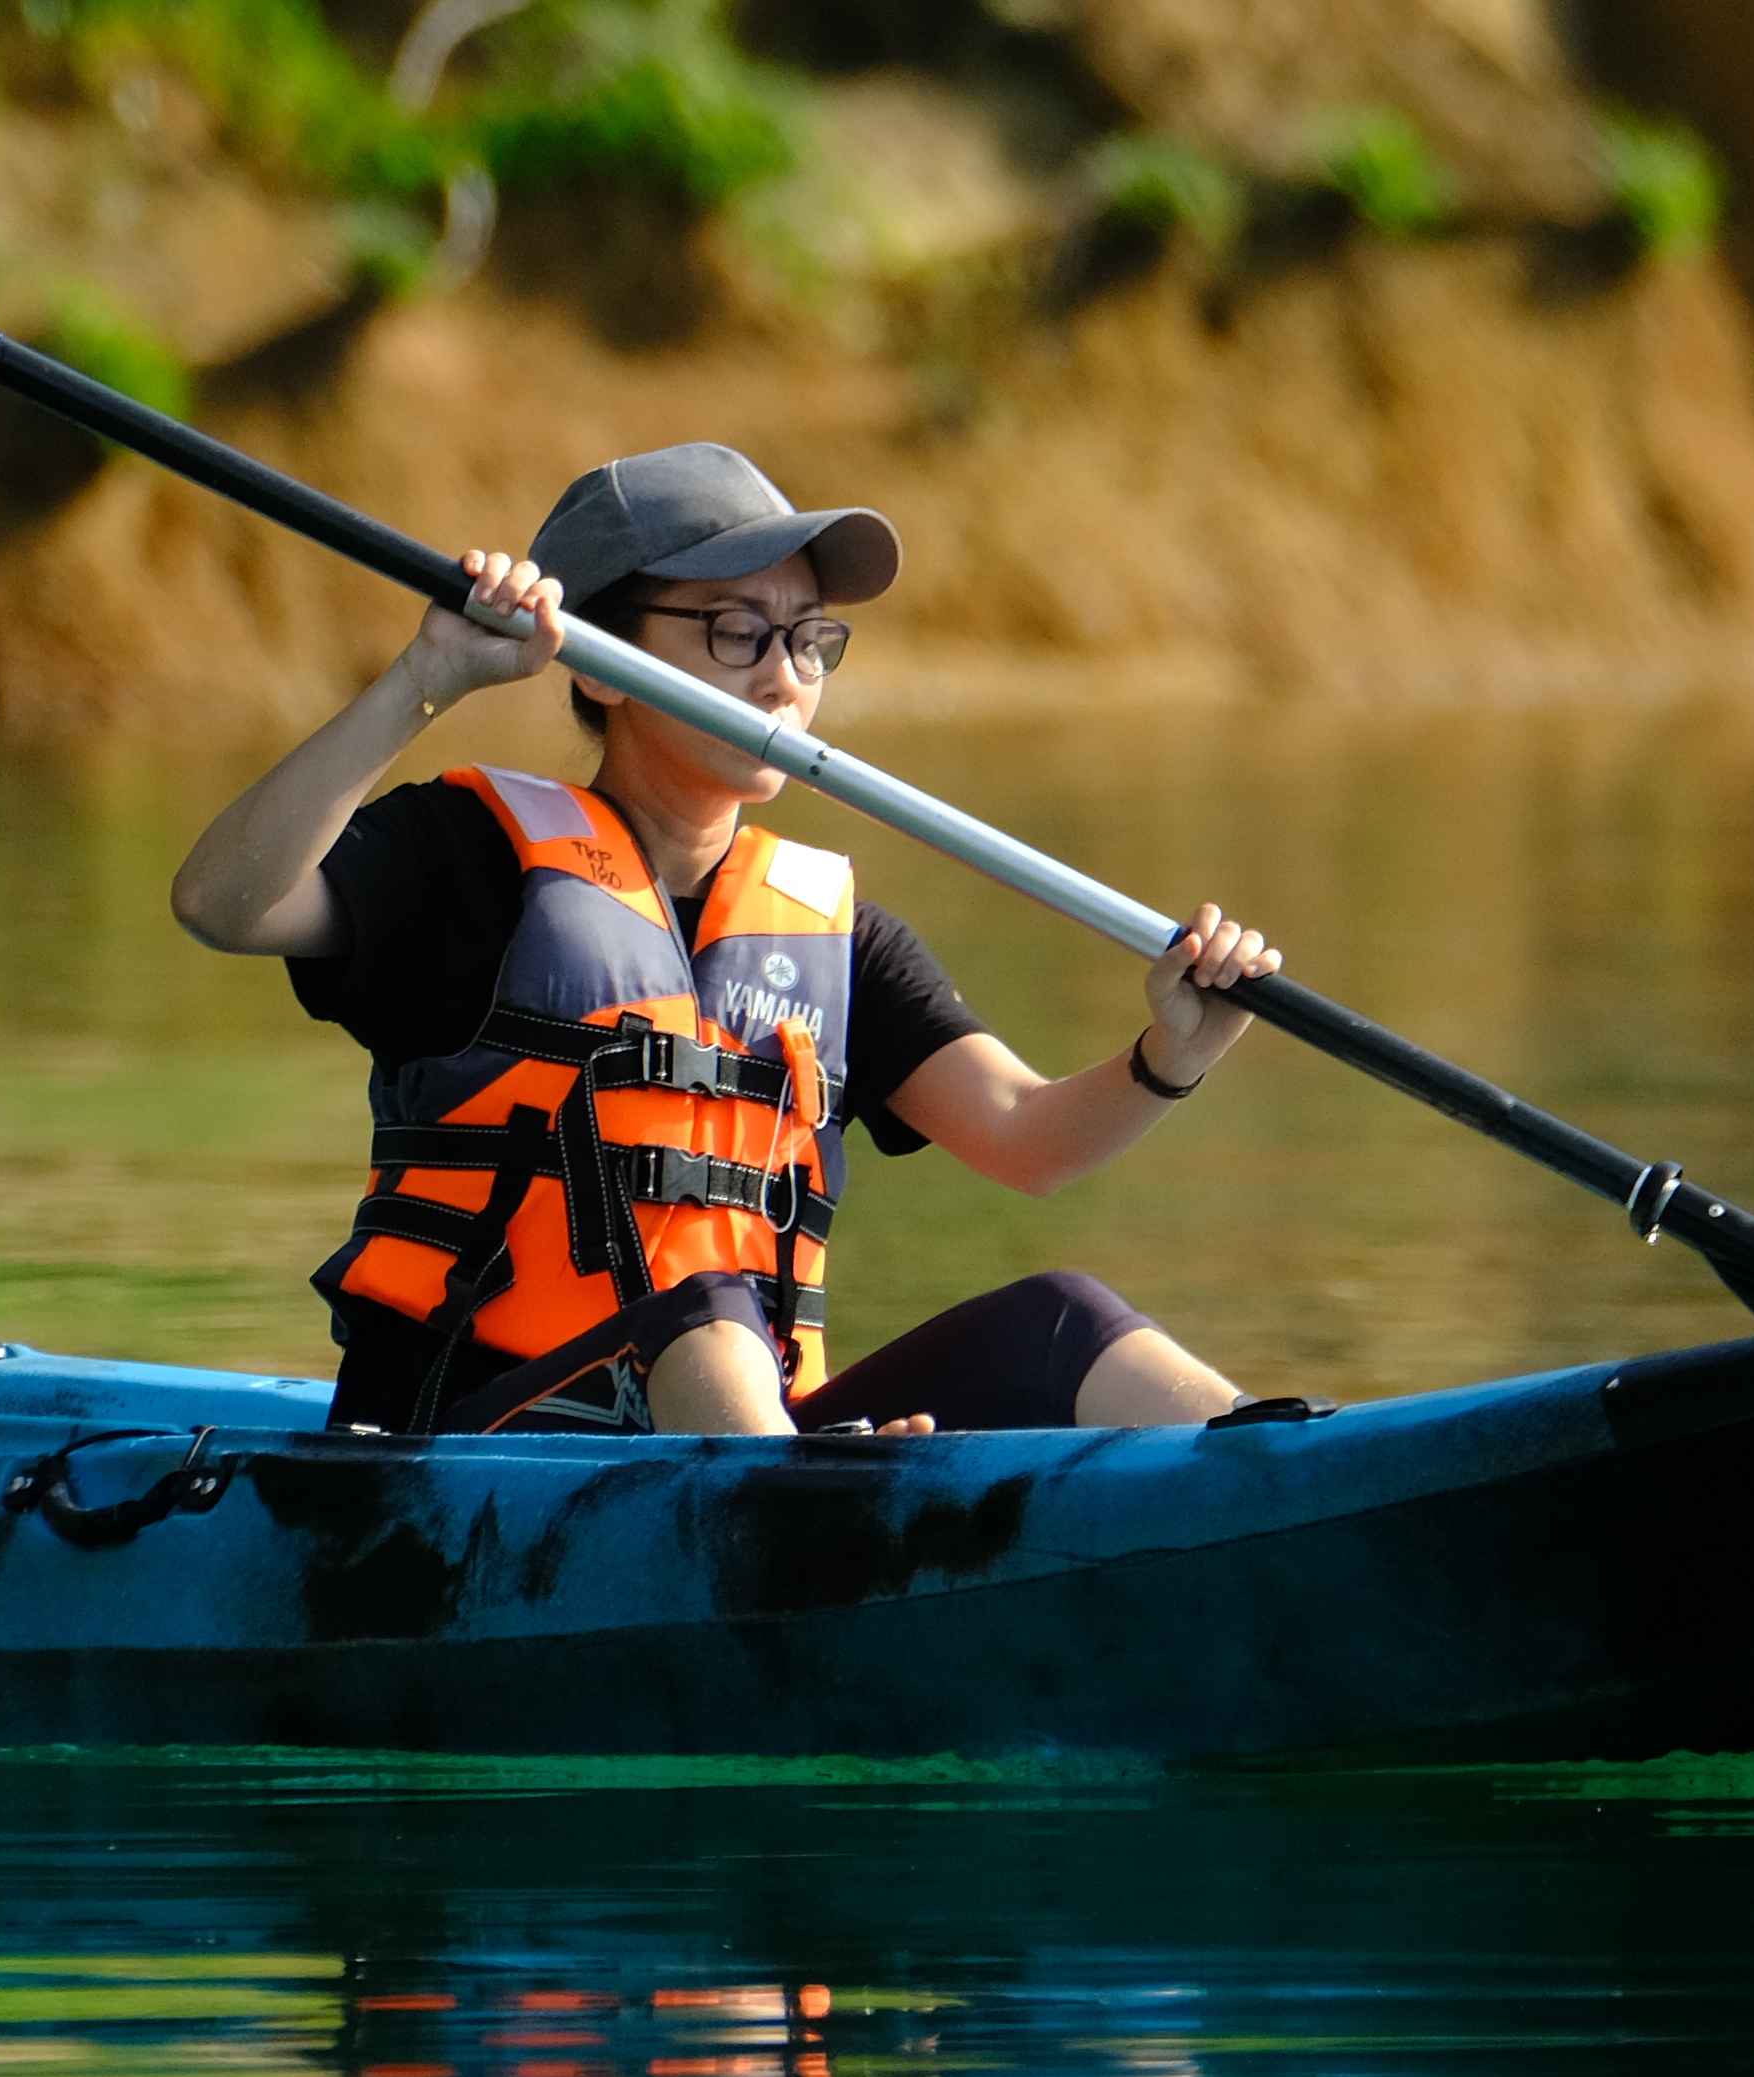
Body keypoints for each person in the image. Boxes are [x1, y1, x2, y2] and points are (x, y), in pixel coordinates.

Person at [168, 439, 1285, 1441]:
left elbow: (1028, 1139)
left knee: (1065, 1323)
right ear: (602, 664)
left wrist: (1172, 1054)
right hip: (465, 1446)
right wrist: (426, 679)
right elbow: (224, 902)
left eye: (809, 639)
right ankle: (802, 1534)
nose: (785, 677)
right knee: (703, 1305)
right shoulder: (469, 861)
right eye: (736, 631)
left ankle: (1277, 1484)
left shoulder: (835, 937)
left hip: (738, 1444)